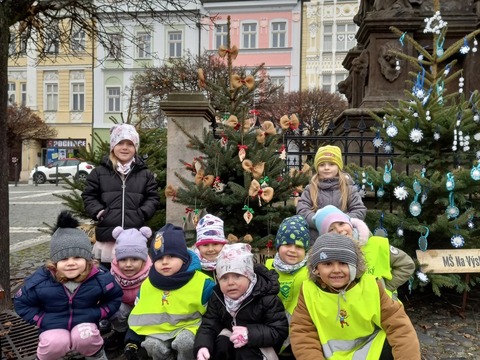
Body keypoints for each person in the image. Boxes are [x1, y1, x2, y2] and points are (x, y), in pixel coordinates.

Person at [290, 233, 421, 360]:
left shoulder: (371, 286)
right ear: (316, 268)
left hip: (372, 352)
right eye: (328, 264)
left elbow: (399, 327)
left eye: (343, 263)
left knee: (396, 340)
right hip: (329, 356)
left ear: (355, 265)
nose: (336, 270)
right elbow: (303, 334)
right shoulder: (308, 291)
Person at [14, 211, 123, 360]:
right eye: (64, 258)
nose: (71, 263)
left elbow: (115, 296)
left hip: (85, 322)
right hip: (53, 324)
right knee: (55, 343)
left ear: (88, 259)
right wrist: (40, 319)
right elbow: (21, 302)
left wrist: (100, 313)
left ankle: (97, 356)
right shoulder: (41, 280)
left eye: (77, 257)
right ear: (55, 262)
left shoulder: (100, 278)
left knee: (87, 338)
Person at [124, 223, 215, 360]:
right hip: (157, 332)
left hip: (191, 328)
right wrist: (131, 340)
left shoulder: (203, 283)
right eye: (159, 258)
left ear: (183, 258)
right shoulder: (147, 284)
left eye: (171, 256)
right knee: (151, 344)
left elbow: (214, 316)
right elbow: (139, 315)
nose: (165, 262)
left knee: (185, 342)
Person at [82, 123, 160, 268]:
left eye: (130, 144)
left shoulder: (145, 174)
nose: (125, 148)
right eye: (120, 143)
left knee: (134, 272)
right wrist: (100, 212)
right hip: (108, 237)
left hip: (134, 235)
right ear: (113, 146)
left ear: (135, 148)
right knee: (108, 275)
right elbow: (89, 196)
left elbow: (153, 197)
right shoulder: (99, 172)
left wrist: (142, 213)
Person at [194, 243, 289, 360]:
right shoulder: (218, 296)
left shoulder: (266, 298)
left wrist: (249, 334)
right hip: (231, 341)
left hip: (262, 349)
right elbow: (209, 324)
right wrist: (203, 346)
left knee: (243, 351)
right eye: (224, 278)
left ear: (249, 276)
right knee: (222, 342)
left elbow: (279, 330)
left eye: (237, 276)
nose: (230, 283)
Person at [312, 205, 415, 299]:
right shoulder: (328, 257)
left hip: (382, 304)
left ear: (350, 223)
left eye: (341, 223)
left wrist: (386, 288)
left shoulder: (377, 244)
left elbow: (406, 265)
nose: (339, 230)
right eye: (331, 229)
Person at [296, 145, 366, 242]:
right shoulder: (310, 189)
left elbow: (359, 210)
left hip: (344, 238)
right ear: (317, 168)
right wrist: (318, 220)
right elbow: (302, 210)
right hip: (317, 240)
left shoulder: (349, 189)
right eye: (322, 165)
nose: (326, 168)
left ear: (338, 166)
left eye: (331, 164)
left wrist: (340, 221)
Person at [265, 215, 310, 360]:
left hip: (301, 331)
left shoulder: (311, 271)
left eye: (299, 246)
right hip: (271, 328)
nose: (292, 250)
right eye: (287, 244)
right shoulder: (267, 267)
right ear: (278, 246)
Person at [104, 225, 153, 352]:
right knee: (114, 310)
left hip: (145, 307)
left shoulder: (152, 274)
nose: (128, 264)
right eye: (123, 259)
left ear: (143, 260)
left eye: (135, 259)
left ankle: (142, 336)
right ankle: (120, 333)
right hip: (124, 305)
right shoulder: (112, 274)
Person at [194, 214, 228, 279]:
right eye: (205, 245)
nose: (210, 249)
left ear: (223, 245)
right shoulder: (193, 268)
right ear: (198, 248)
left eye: (215, 244)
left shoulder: (232, 265)